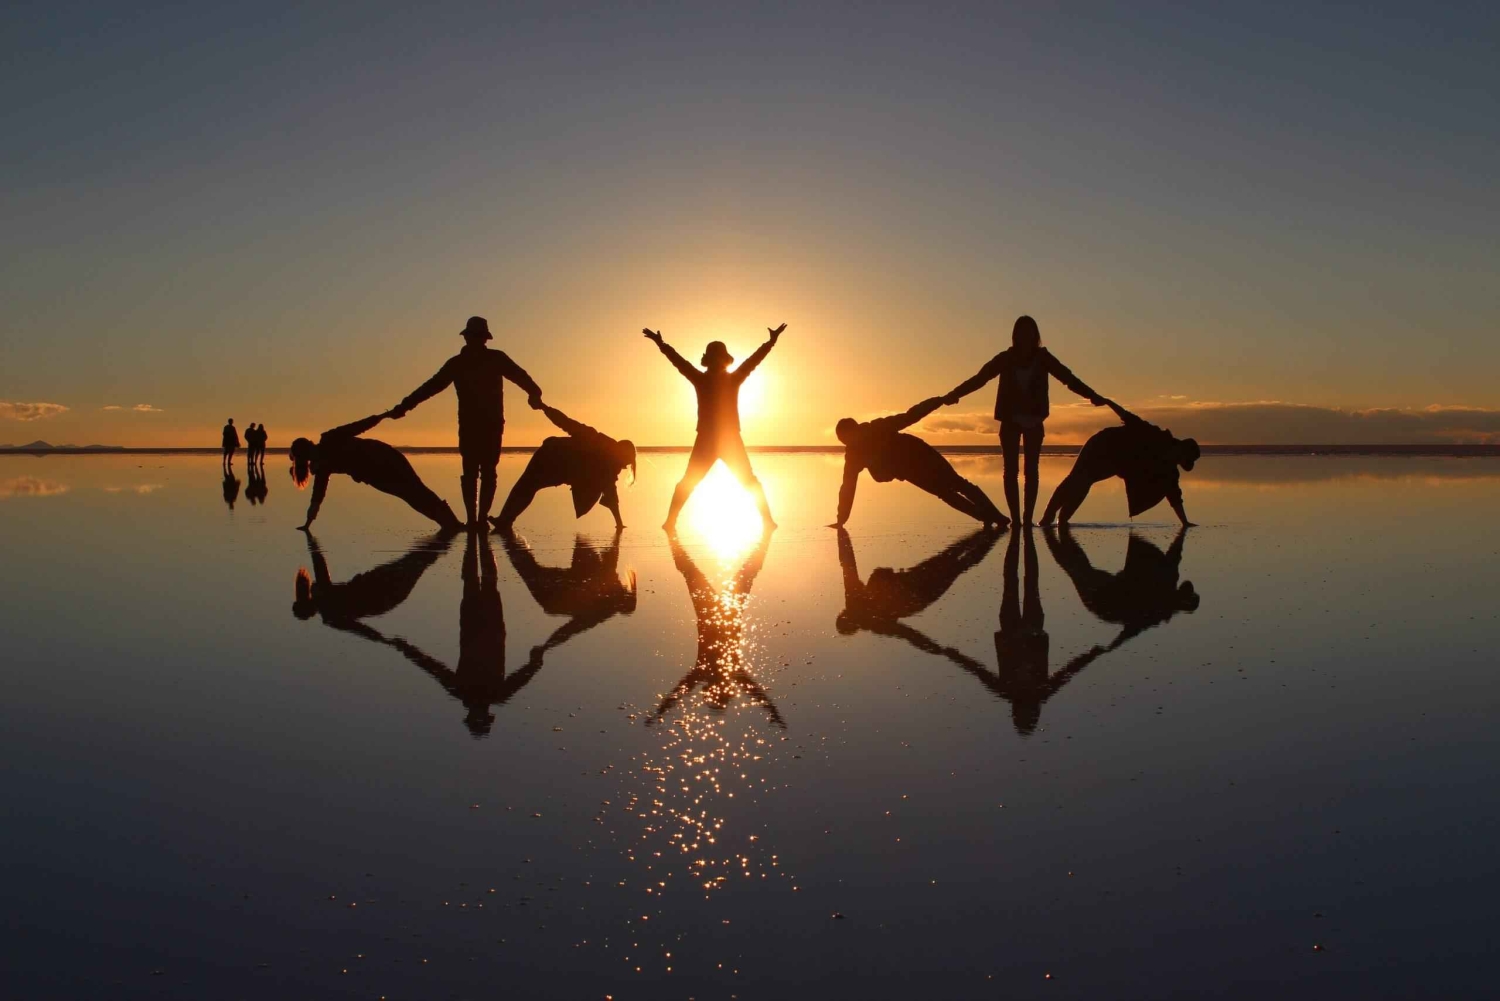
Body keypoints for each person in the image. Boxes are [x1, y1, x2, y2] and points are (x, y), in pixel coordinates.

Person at [945, 315, 1107, 525]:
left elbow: (1068, 378)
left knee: (1032, 471)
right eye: (1021, 332)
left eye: (1029, 332)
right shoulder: (1005, 358)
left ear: (1035, 335)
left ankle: (1027, 518)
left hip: (1034, 421)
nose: (1025, 336)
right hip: (1010, 421)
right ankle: (1016, 520)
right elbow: (980, 378)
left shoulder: (1043, 358)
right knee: (1010, 471)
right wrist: (955, 394)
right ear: (1015, 336)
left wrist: (1091, 395)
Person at [388, 316, 544, 527]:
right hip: (472, 424)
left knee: (486, 471)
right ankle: (473, 519)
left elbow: (522, 377)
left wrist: (534, 393)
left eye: (477, 337)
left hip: (491, 424)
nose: (474, 341)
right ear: (468, 338)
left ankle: (479, 519)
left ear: (483, 339)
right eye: (473, 337)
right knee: (472, 471)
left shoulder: (493, 359)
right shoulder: (458, 363)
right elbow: (431, 386)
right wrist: (405, 405)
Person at [643, 324, 784, 531]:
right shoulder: (700, 378)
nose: (718, 360)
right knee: (689, 481)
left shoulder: (733, 378)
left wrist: (771, 342)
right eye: (714, 356)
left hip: (730, 439)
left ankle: (767, 520)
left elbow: (753, 361)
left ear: (724, 358)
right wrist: (661, 344)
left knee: (749, 480)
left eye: (720, 356)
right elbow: (678, 362)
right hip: (707, 439)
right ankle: (670, 521)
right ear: (708, 359)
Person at [653, 530, 782, 728]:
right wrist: (772, 712)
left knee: (697, 571)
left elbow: (679, 692)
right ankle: (765, 537)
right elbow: (756, 693)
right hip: (725, 611)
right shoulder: (726, 672)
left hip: (712, 611)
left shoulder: (706, 671)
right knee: (745, 571)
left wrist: (660, 711)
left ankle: (673, 536)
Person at [832, 396, 1007, 528]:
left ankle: (996, 516)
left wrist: (939, 401)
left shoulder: (877, 427)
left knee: (957, 483)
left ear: (856, 429)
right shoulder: (853, 455)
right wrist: (841, 520)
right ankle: (985, 517)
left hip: (919, 452)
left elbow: (911, 416)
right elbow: (848, 487)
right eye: (844, 442)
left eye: (848, 438)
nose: (849, 444)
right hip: (908, 470)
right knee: (945, 493)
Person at [834, 527, 1000, 661]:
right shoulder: (876, 623)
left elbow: (848, 567)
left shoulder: (854, 600)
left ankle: (987, 533)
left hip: (910, 583)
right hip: (919, 595)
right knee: (956, 565)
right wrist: (933, 648)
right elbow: (907, 634)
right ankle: (991, 536)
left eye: (846, 613)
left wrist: (842, 538)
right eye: (849, 615)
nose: (849, 611)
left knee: (950, 559)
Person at [289, 412, 463, 531]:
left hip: (384, 458)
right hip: (376, 472)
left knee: (415, 491)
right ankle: (449, 523)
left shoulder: (329, 439)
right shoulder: (321, 466)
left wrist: (382, 416)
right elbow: (318, 496)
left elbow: (358, 426)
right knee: (412, 494)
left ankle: (452, 523)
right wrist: (308, 523)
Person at [1039, 400, 1199, 526]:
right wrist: (1108, 402)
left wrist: (1184, 522)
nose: (1178, 463)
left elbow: (1174, 496)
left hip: (1116, 463)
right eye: (1182, 459)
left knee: (1085, 482)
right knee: (1078, 479)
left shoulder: (1170, 470)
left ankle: (1062, 520)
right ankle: (1047, 518)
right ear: (1180, 448)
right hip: (1103, 444)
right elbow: (1128, 417)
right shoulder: (1155, 436)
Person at [501, 531, 637, 671]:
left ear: (622, 599)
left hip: (551, 595)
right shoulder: (608, 587)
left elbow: (571, 629)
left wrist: (547, 646)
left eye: (625, 589)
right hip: (557, 589)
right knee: (526, 563)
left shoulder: (602, 610)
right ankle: (507, 534)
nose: (623, 584)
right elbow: (611, 558)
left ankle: (507, 534)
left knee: (527, 565)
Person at [490, 403, 636, 532]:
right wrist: (545, 408)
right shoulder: (595, 439)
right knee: (527, 486)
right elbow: (567, 423)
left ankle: (505, 520)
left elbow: (611, 495)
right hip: (549, 456)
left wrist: (619, 523)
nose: (625, 467)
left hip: (563, 470)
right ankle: (505, 520)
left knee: (528, 486)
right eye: (626, 461)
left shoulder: (610, 466)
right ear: (620, 453)